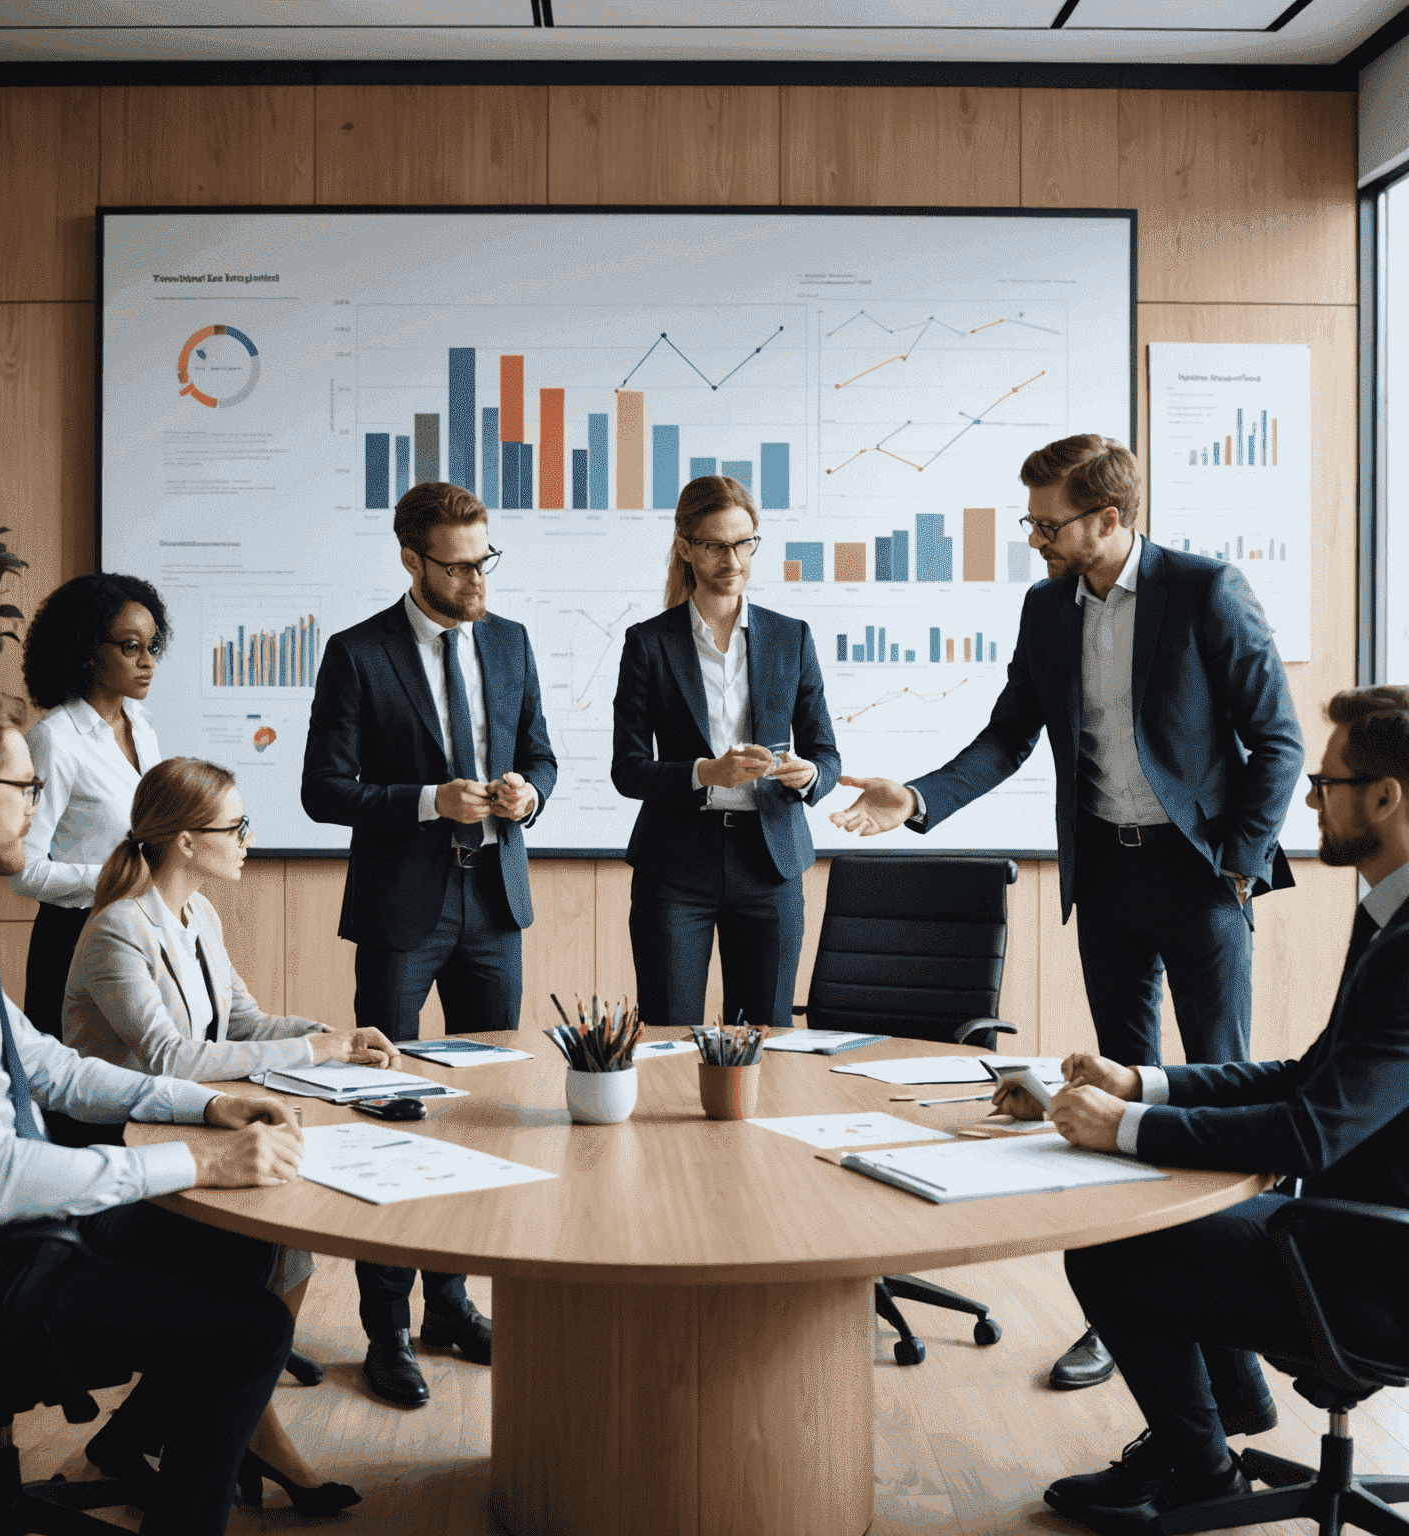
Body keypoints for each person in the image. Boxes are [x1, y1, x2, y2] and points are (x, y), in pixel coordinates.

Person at [829, 434, 1304, 1397]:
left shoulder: (1206, 592)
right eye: (1032, 523)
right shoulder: (1047, 606)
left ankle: (1244, 1329)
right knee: (1111, 1104)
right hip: (1107, 878)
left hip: (1200, 875)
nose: (1036, 541)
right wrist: (917, 799)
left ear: (1111, 519)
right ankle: (1126, 1316)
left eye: (1049, 525)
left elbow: (1280, 741)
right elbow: (1009, 736)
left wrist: (1239, 867)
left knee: (1214, 1088)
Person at [0, 685, 305, 1536]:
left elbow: (54, 1071)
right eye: (27, 789)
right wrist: (198, 1162)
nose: (38, 809)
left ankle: (135, 1452)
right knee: (249, 1330)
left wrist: (208, 1105)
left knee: (237, 1244)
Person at [995, 684, 1409, 1535]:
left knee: (1107, 1244)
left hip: (1375, 1265)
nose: (1311, 801)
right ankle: (1206, 1446)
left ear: (1385, 795)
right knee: (1128, 1215)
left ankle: (1201, 1471)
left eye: (1323, 784)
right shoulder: (1389, 916)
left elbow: (1309, 1129)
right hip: (1355, 1227)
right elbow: (1310, 1074)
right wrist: (1143, 1084)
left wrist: (1124, 1132)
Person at [64, 755, 401, 1514]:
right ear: (185, 840)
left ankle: (166, 1432)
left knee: (289, 1249)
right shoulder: (118, 930)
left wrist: (333, 1037)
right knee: (264, 1253)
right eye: (236, 826)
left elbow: (242, 1024)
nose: (248, 838)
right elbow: (171, 1058)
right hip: (125, 1157)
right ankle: (258, 1435)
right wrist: (308, 1053)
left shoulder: (198, 916)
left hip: (187, 1138)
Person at [301, 480, 557, 1409]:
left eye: (487, 558)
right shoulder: (357, 654)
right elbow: (323, 790)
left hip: (495, 902)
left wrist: (528, 790)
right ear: (413, 560)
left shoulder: (513, 643)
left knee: (483, 1108)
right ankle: (388, 1331)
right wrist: (424, 801)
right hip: (404, 911)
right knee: (391, 1108)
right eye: (459, 564)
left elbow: (543, 753)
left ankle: (452, 1303)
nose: (478, 578)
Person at [611, 475, 841, 1033]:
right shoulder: (649, 642)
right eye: (716, 545)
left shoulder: (792, 638)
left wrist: (808, 775)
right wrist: (704, 774)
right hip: (676, 868)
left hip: (771, 864)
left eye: (744, 543)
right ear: (687, 547)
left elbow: (826, 755)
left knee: (765, 1037)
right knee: (668, 1035)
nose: (732, 559)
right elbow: (628, 769)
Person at [10, 573, 169, 1048]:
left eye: (152, 646)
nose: (148, 662)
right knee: (72, 1100)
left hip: (138, 929)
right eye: (130, 647)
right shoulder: (54, 740)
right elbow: (24, 871)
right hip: (71, 938)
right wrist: (116, 875)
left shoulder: (142, 728)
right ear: (86, 648)